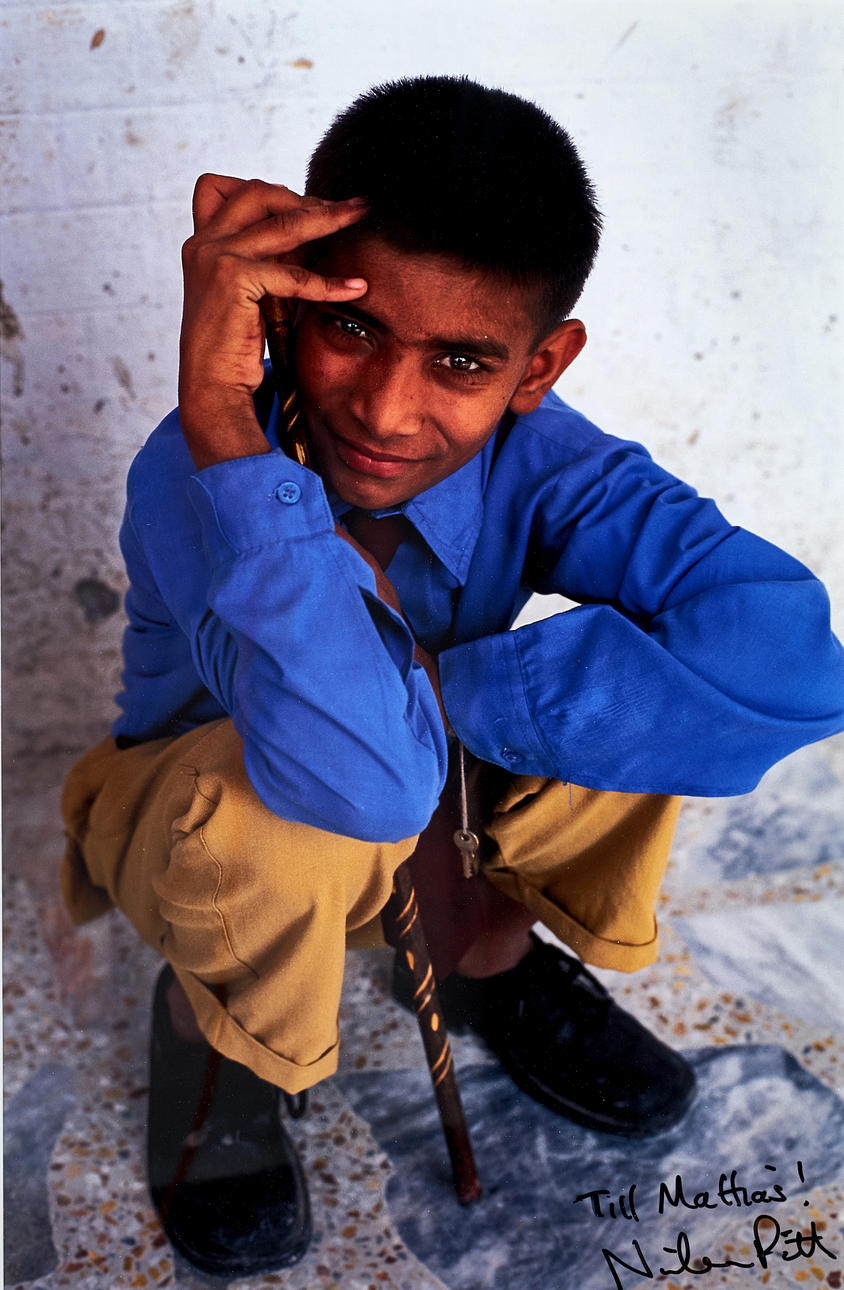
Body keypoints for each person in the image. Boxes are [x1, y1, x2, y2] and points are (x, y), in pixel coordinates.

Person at [60, 75, 844, 1277]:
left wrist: (464, 696)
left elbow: (792, 659)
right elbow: (362, 787)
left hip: (427, 798)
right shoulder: (195, 473)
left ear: (539, 369)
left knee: (641, 691)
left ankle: (486, 958)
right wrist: (225, 423)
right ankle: (212, 1035)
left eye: (463, 362)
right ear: (279, 307)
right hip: (210, 818)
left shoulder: (548, 457)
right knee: (294, 812)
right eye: (352, 327)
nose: (386, 408)